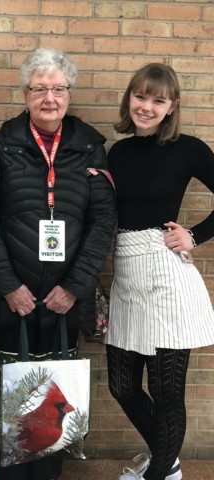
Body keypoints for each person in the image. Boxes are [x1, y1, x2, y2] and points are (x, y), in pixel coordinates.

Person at [0, 47, 116, 480]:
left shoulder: (90, 147)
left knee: (57, 400)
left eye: (58, 88)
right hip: (11, 300)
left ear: (69, 94)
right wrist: (6, 284)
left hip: (65, 304)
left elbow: (103, 220)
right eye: (40, 88)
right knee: (17, 401)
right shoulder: (3, 144)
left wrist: (74, 286)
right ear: (25, 93)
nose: (49, 97)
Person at [105, 63, 214, 480]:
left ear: (172, 106)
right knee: (123, 386)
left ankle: (160, 474)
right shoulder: (118, 152)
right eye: (140, 96)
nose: (146, 107)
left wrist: (195, 235)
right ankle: (166, 462)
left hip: (167, 274)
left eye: (158, 99)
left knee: (167, 393)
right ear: (129, 97)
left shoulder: (189, 148)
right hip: (127, 273)